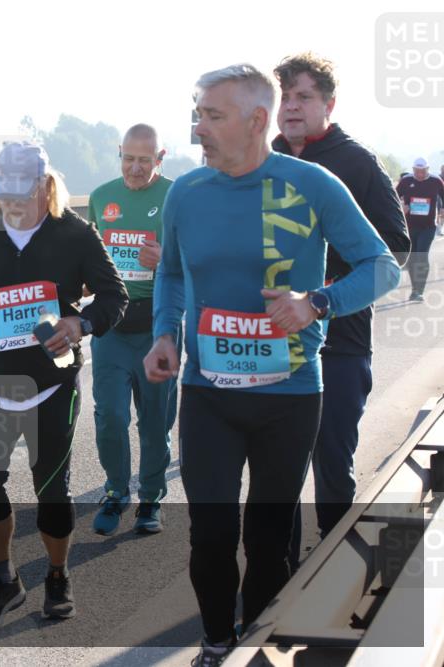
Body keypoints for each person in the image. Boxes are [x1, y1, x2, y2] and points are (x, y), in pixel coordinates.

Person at [144, 65, 400, 665]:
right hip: (207, 392)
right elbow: (173, 273)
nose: (196, 127)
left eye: (212, 115)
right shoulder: (186, 191)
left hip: (289, 396)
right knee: (209, 534)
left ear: (256, 121)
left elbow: (381, 265)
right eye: (197, 112)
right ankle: (214, 643)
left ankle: (255, 647)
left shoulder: (312, 184)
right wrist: (165, 335)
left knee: (267, 541)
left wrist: (317, 304)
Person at [0, 142, 128, 630]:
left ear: (47, 187)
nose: (14, 203)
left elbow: (114, 295)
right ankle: (3, 578)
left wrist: (80, 324)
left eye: (24, 192)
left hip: (52, 384)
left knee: (51, 491)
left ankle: (57, 574)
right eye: (6, 192)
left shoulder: (75, 234)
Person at [271, 53, 410, 566]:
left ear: (328, 103)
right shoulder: (264, 162)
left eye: (303, 96)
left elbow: (394, 249)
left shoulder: (357, 163)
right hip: (274, 345)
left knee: (332, 461)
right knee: (279, 468)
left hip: (341, 340)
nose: (292, 107)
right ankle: (276, 576)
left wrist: (325, 291)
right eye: (284, 97)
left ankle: (333, 565)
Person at [87, 123, 178, 536]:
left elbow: (203, 265)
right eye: (129, 158)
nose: (135, 168)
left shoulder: (177, 196)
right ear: (119, 154)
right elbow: (88, 266)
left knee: (155, 419)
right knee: (110, 416)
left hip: (158, 325)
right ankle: (116, 491)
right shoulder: (101, 198)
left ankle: (152, 498)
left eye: (145, 160)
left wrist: (167, 260)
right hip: (113, 324)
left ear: (160, 158)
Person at [396, 157, 444, 301]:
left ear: (427, 169)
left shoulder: (436, 181)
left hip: (428, 227)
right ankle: (414, 289)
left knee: (421, 255)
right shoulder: (406, 181)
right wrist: (401, 206)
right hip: (410, 226)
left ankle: (419, 291)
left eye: (423, 171)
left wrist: (442, 209)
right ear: (413, 170)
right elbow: (390, 198)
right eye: (417, 171)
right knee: (412, 258)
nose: (420, 174)